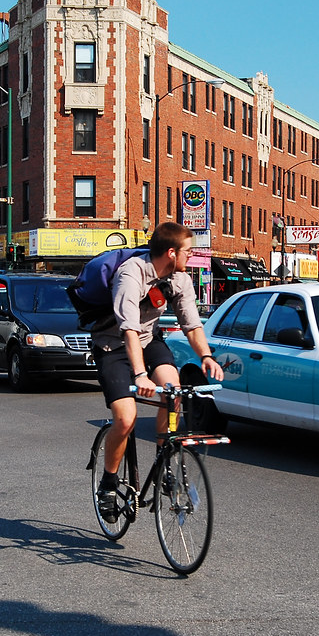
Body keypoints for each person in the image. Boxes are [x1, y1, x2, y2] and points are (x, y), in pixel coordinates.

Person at [92, 222, 225, 523]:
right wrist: (139, 375)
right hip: (113, 346)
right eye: (188, 252)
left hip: (149, 340)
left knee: (173, 391)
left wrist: (205, 356)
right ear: (170, 252)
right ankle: (109, 482)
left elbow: (192, 324)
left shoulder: (179, 279)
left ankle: (165, 462)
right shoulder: (131, 274)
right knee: (126, 419)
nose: (191, 257)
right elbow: (128, 329)